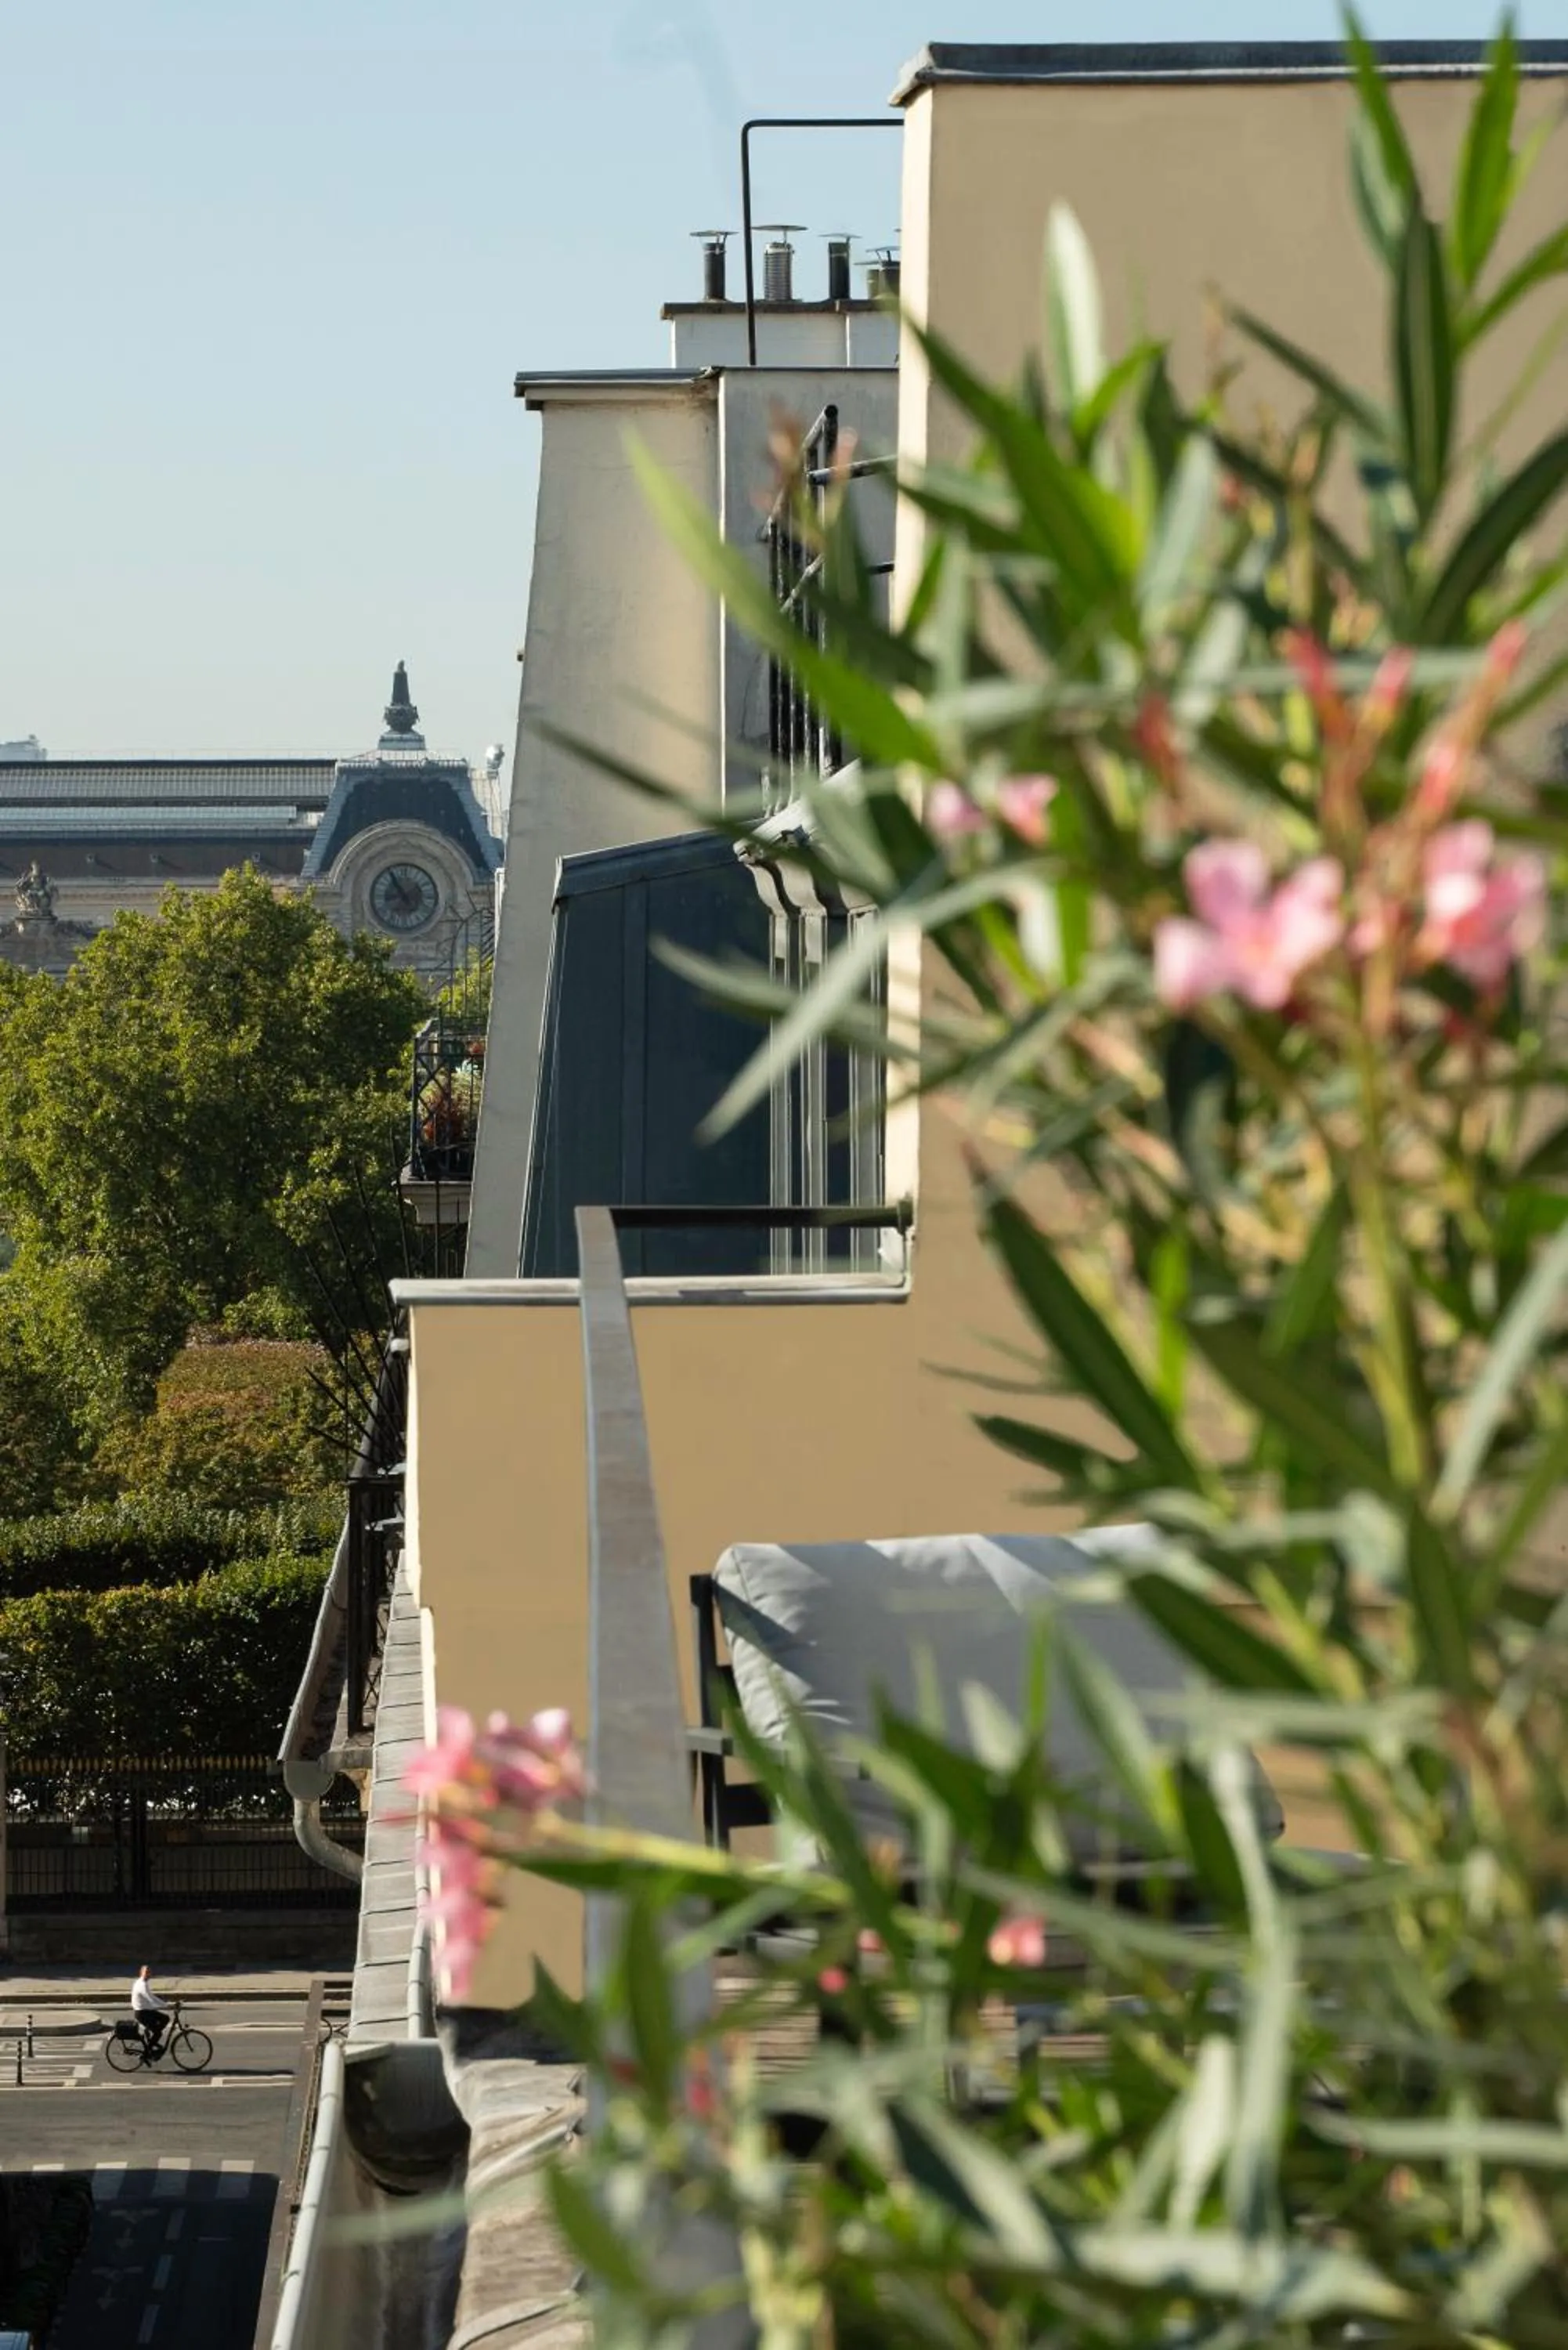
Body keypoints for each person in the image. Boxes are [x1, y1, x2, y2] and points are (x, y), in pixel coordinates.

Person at [130, 1965, 172, 2054]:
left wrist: (164, 2005)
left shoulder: (140, 1982)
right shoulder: (142, 1985)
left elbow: (151, 1998)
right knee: (158, 2033)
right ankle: (147, 2051)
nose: (148, 1974)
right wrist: (166, 2006)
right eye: (146, 1972)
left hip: (144, 2011)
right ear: (141, 1973)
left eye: (149, 1972)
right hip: (142, 2013)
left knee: (165, 2019)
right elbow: (151, 1999)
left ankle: (152, 2038)